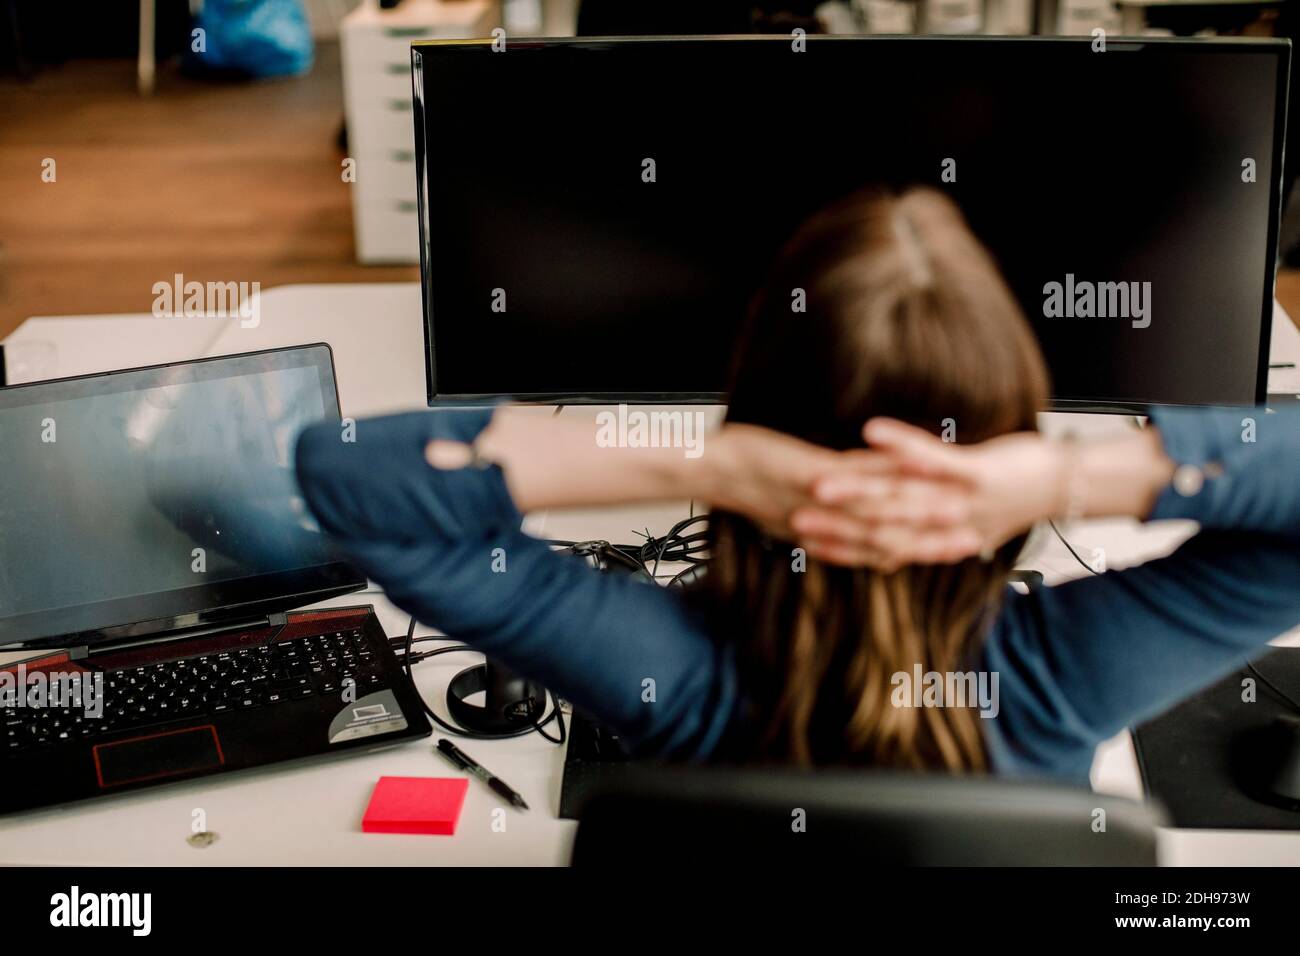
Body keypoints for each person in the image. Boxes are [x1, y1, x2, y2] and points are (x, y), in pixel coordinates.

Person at [295, 187, 1300, 781]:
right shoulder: (1059, 679)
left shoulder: (683, 678)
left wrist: (711, 461)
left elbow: (348, 475)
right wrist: (1064, 477)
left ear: (753, 399)